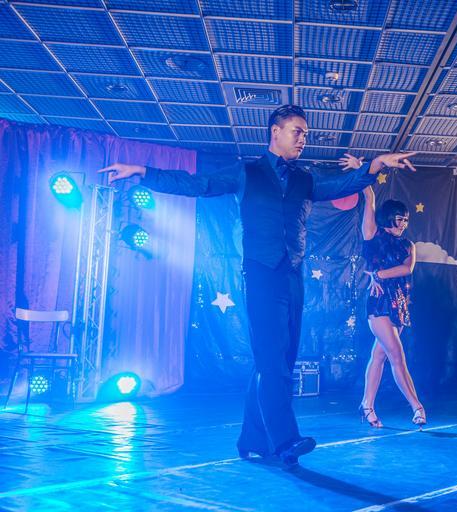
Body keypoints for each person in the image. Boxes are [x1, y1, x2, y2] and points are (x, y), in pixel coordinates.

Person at [99, 105, 416, 467]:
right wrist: (143, 172)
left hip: (292, 275)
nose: (303, 138)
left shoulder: (305, 179)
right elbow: (198, 184)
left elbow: (344, 184)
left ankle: (251, 439)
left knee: (278, 359)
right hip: (261, 274)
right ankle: (284, 440)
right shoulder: (247, 172)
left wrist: (376, 164)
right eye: (297, 131)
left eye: (306, 133)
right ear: (275, 132)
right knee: (272, 358)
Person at [338, 154, 425, 429]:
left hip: (399, 304)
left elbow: (407, 268)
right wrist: (362, 170)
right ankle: (417, 406)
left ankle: (367, 405)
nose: (404, 223)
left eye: (406, 219)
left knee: (379, 356)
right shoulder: (372, 234)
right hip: (379, 304)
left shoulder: (408, 245)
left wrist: (379, 274)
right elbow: (370, 197)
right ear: (389, 218)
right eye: (400, 218)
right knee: (397, 356)